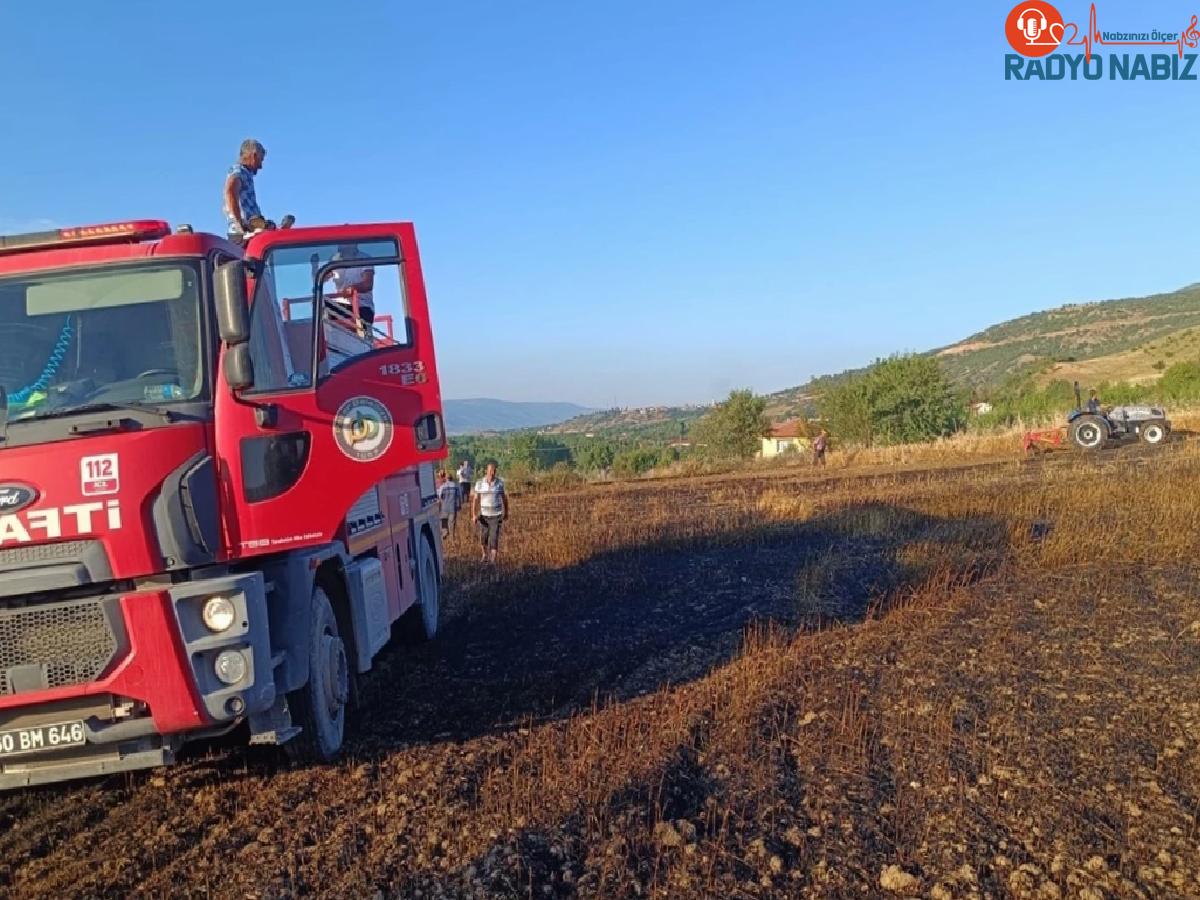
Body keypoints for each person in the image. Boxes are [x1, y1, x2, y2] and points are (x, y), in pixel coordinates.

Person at [222, 139, 268, 242]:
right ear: (254, 156)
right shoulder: (239, 171)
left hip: (249, 233)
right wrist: (240, 224)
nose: (260, 166)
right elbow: (230, 190)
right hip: (243, 236)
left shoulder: (245, 173)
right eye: (260, 160)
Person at [328, 244, 376, 327]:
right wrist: (315, 267)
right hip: (341, 305)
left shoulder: (364, 258)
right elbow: (322, 277)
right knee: (320, 306)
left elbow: (368, 284)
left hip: (362, 307)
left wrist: (353, 288)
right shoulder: (334, 259)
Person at [472, 461, 508, 564]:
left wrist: (506, 512)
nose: (492, 473)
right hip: (484, 515)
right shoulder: (479, 484)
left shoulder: (499, 484)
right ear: (486, 471)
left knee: (494, 537)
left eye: (494, 471)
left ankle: (493, 561)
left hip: (496, 515)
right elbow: (475, 500)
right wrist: (474, 515)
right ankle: (484, 554)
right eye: (491, 471)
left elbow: (504, 499)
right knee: (484, 537)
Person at [436, 470, 459, 539]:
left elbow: (439, 496)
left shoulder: (443, 486)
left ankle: (445, 533)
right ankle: (452, 537)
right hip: (452, 507)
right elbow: (458, 497)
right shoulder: (455, 486)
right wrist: (458, 506)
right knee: (451, 523)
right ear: (452, 478)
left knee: (444, 521)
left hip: (444, 507)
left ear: (446, 478)